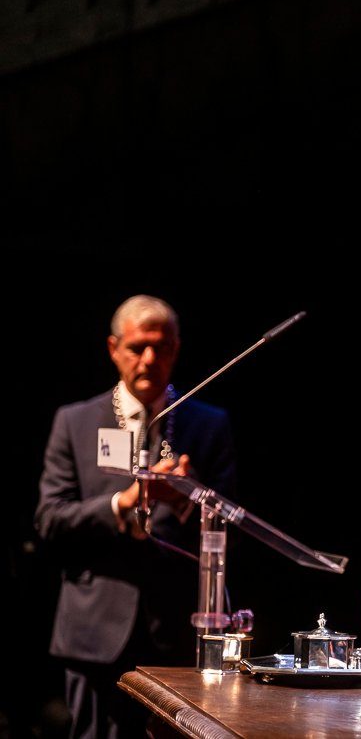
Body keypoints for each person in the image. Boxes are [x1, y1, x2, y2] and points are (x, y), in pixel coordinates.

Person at [35, 295, 240, 739]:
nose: (149, 359)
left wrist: (186, 497)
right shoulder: (75, 421)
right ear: (114, 349)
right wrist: (124, 501)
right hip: (93, 634)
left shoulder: (208, 424)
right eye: (137, 347)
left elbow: (230, 523)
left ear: (176, 349)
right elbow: (50, 519)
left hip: (177, 633)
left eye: (161, 347)